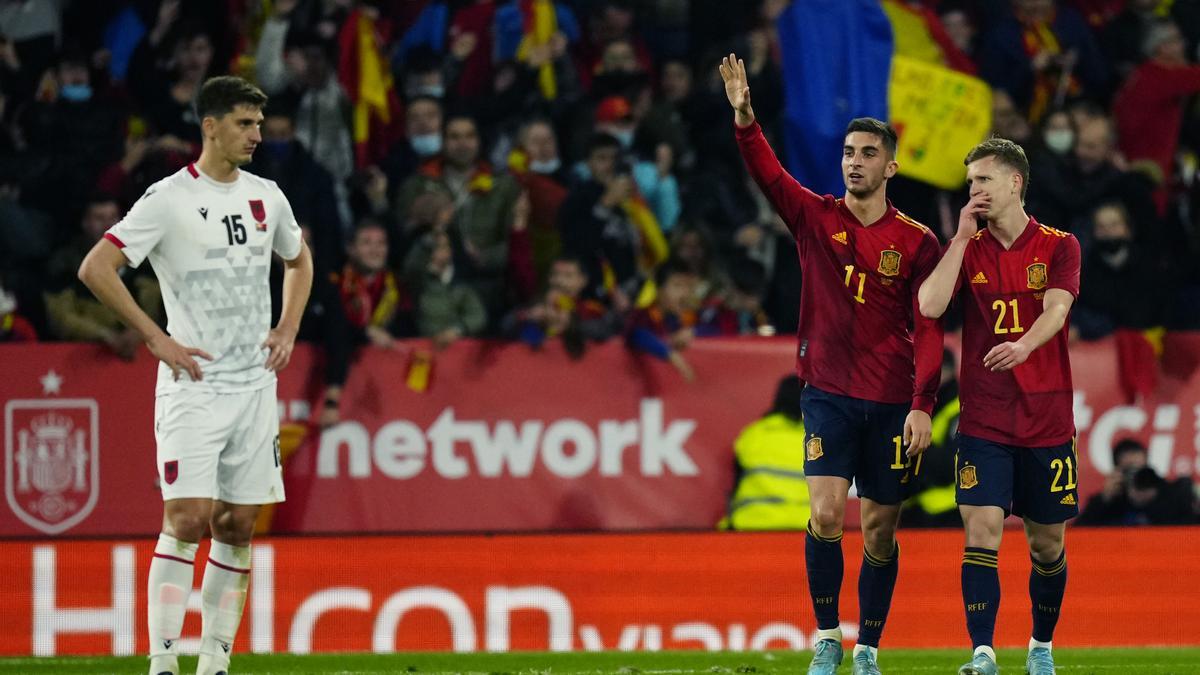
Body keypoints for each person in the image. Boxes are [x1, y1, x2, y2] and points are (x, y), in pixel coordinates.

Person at [77, 76, 313, 675]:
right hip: (195, 389)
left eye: (259, 124)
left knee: (237, 526)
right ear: (210, 126)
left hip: (255, 387)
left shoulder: (269, 195)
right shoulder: (167, 199)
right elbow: (97, 268)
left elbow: (299, 258)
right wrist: (156, 337)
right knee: (186, 519)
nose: (257, 135)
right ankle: (162, 663)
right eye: (244, 123)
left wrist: (287, 328)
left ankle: (214, 664)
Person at [721, 53, 942, 675]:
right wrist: (745, 119)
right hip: (827, 393)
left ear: (890, 166)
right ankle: (826, 636)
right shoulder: (813, 216)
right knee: (823, 512)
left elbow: (929, 329)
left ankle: (867, 648)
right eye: (848, 151)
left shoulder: (918, 241)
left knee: (878, 529)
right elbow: (768, 174)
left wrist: (923, 405)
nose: (854, 161)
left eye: (868, 153)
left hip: (893, 400)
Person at [917, 137, 1080, 675]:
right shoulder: (970, 248)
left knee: (1046, 547)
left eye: (983, 180)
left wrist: (1025, 346)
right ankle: (983, 653)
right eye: (970, 183)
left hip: (1047, 417)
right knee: (982, 530)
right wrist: (960, 239)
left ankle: (1040, 647)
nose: (975, 191)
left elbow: (1057, 312)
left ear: (1014, 182)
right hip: (984, 417)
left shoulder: (1059, 245)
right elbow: (931, 305)